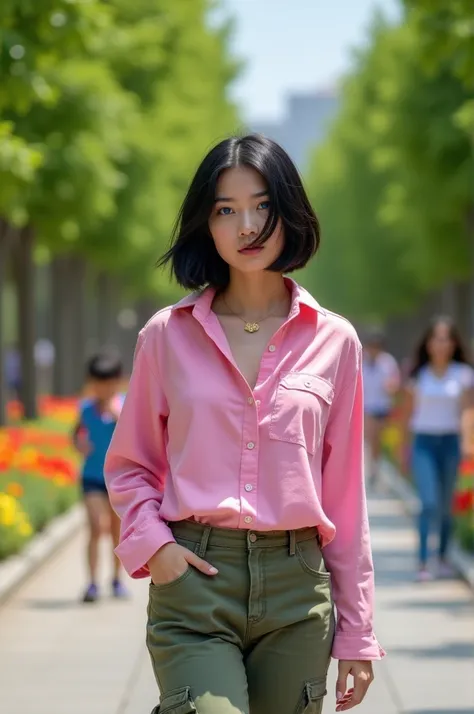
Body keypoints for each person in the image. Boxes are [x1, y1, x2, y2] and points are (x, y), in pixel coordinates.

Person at [105, 134, 384, 714]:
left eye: (262, 205)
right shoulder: (166, 335)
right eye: (225, 211)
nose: (246, 225)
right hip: (195, 578)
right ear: (205, 225)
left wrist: (358, 632)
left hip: (296, 587)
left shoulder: (336, 341)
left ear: (290, 212)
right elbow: (131, 465)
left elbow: (346, 500)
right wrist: (157, 548)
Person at [399, 316, 474, 582]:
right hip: (424, 444)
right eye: (437, 339)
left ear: (454, 343)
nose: (441, 344)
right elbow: (406, 415)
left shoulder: (463, 375)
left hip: (451, 443)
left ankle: (442, 557)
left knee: (445, 507)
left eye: (446, 339)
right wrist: (402, 448)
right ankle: (422, 561)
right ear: (428, 343)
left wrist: (468, 442)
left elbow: (467, 411)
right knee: (428, 503)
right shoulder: (418, 375)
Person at [72, 350, 128, 603]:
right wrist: (78, 444)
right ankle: (92, 583)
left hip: (118, 479)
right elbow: (75, 434)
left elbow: (136, 437)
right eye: (98, 383)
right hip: (92, 477)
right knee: (96, 527)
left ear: (117, 381)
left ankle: (116, 580)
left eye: (108, 383)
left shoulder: (125, 406)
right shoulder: (85, 409)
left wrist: (119, 418)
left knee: (118, 532)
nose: (103, 388)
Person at [362, 329, 400, 488]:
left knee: (376, 440)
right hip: (365, 406)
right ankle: (369, 467)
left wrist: (390, 387)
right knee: (369, 437)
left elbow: (395, 382)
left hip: (381, 406)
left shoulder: (388, 362)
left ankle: (374, 468)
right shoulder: (361, 360)